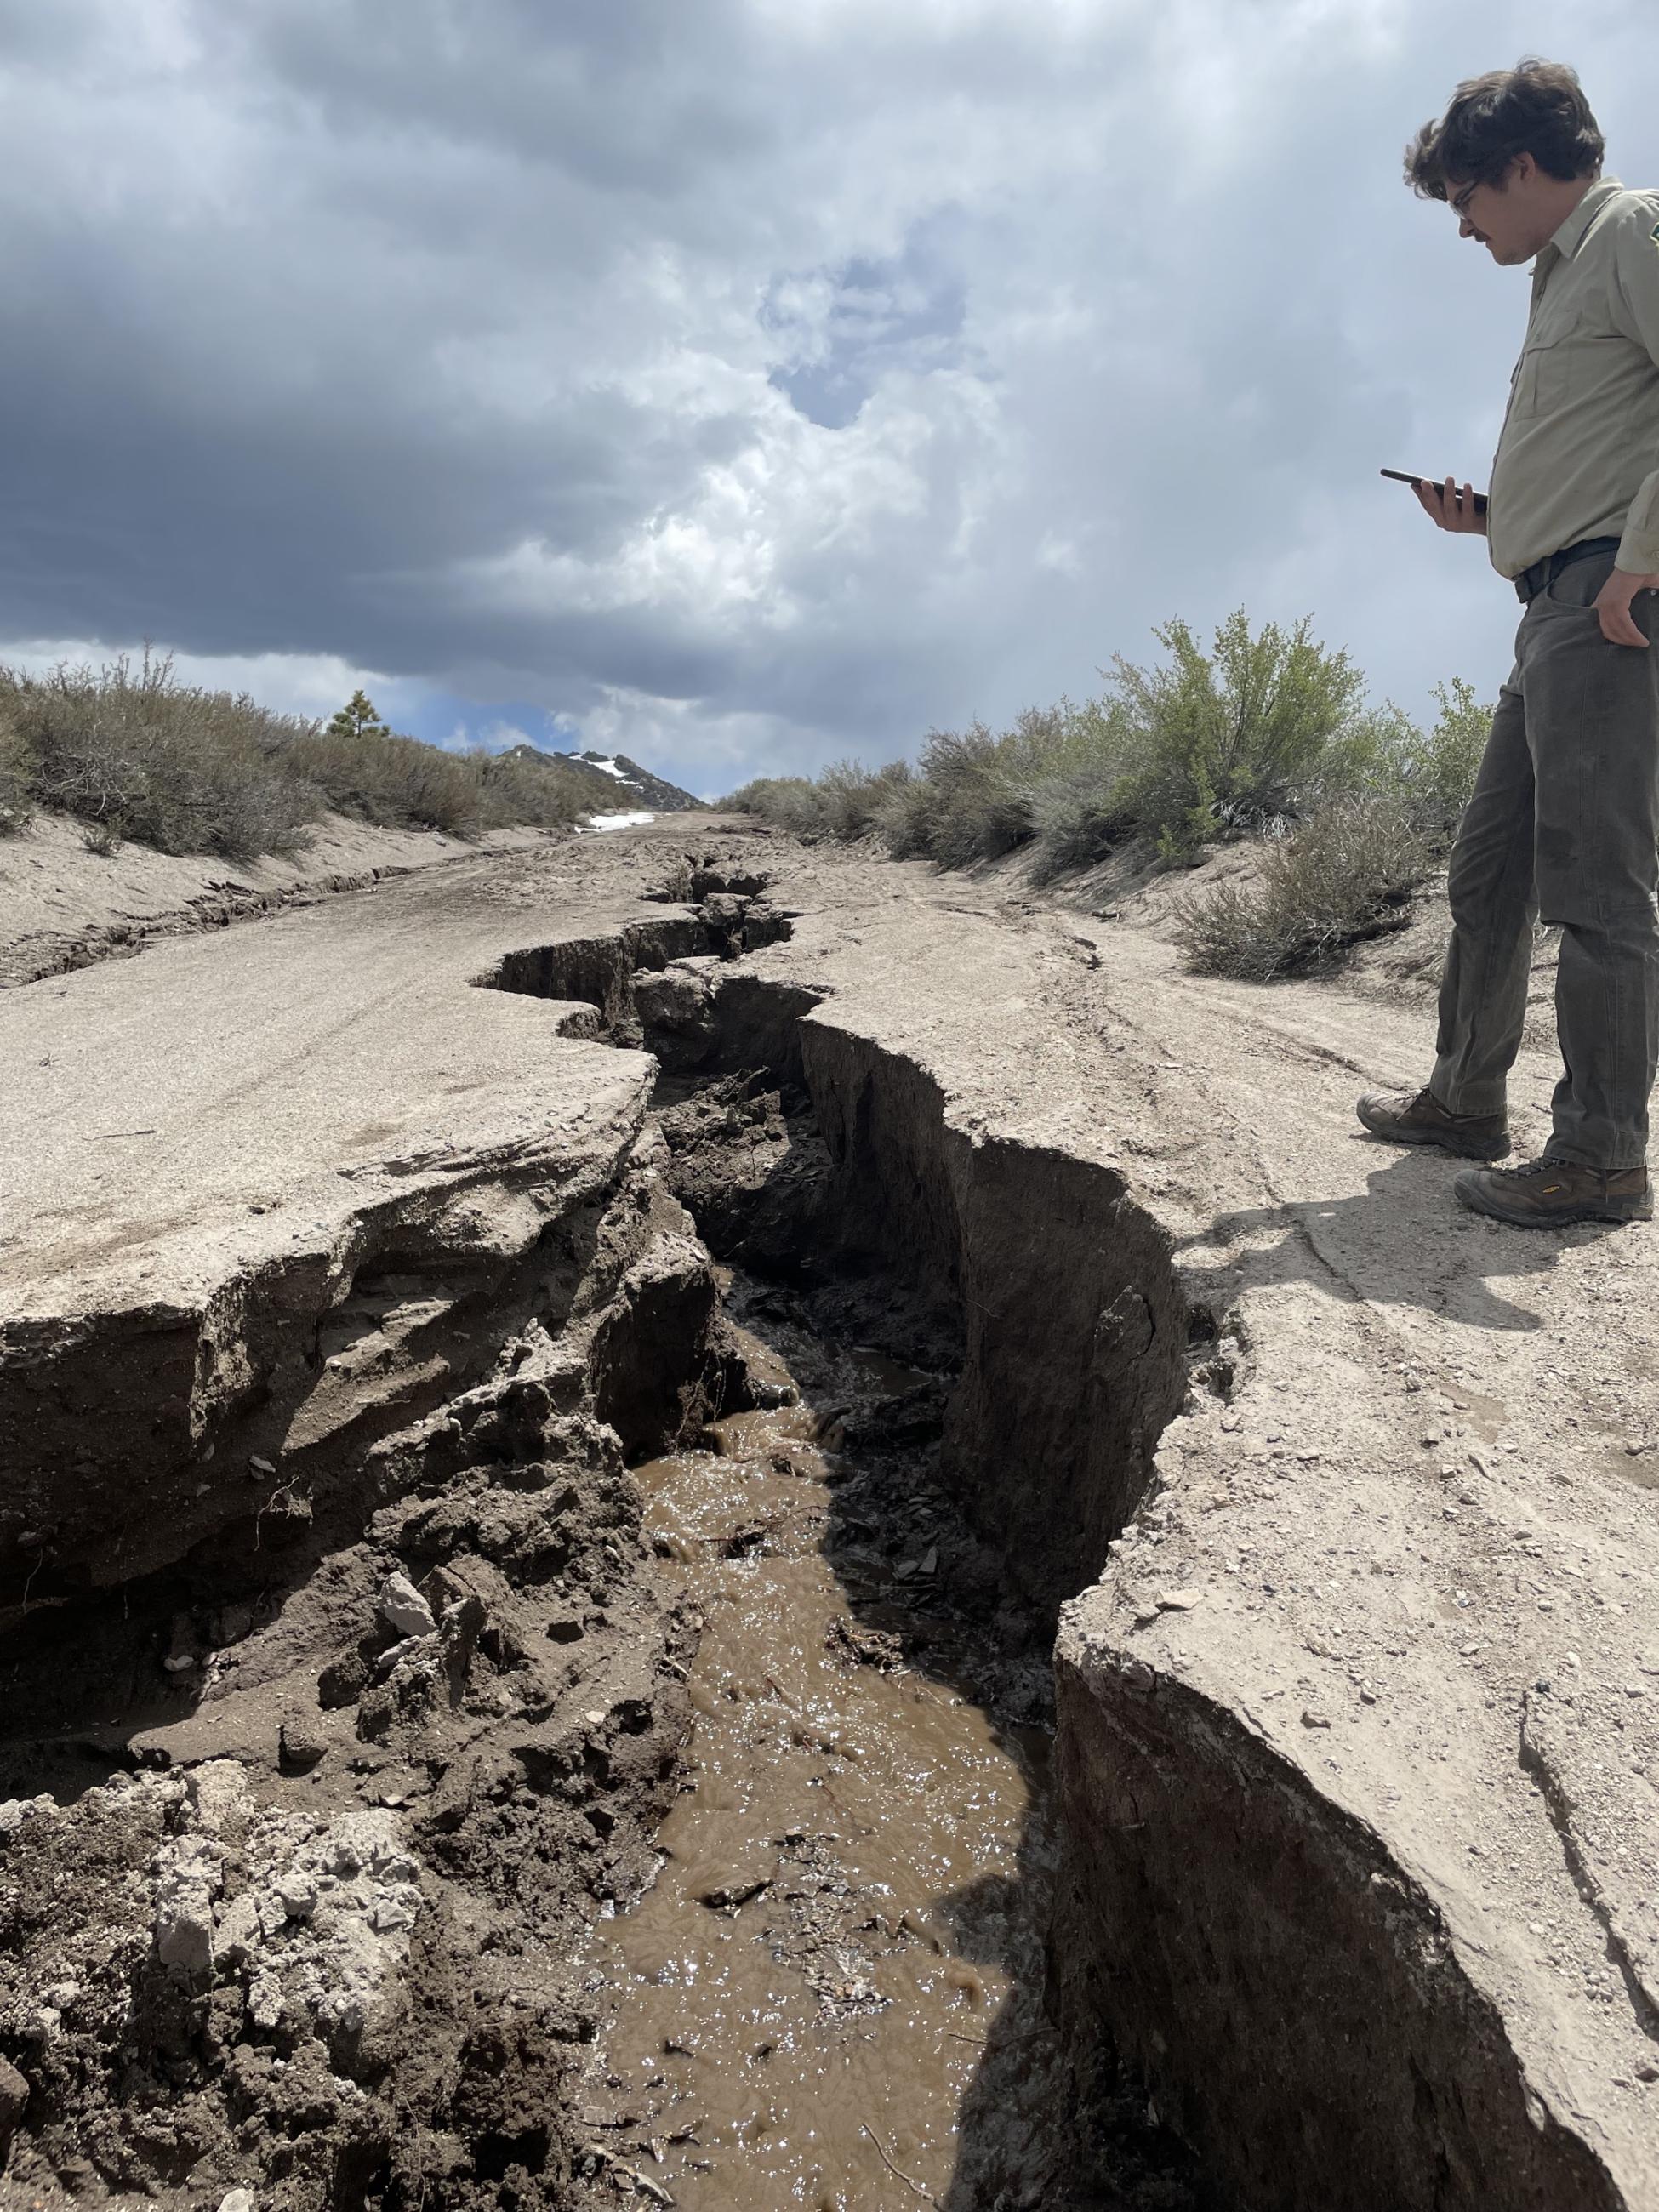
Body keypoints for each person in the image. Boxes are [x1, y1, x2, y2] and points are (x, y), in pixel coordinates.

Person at [1359, 59, 1659, 1228]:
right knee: (1488, 873)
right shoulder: (1559, 272)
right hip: (1554, 597)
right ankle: (1461, 1099)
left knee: (1596, 887)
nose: (1462, 224)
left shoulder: (1630, 228)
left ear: (1522, 168)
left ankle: (1598, 1156)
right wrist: (1491, 520)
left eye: (1464, 197)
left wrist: (1637, 558)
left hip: (1606, 603)